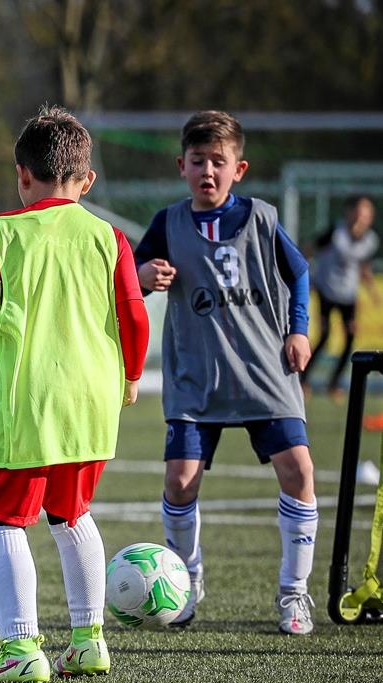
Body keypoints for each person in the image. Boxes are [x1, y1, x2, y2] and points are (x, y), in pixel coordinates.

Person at [0, 106, 149, 683]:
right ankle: (88, 640)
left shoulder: (5, 231)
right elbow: (134, 315)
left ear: (22, 175)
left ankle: (22, 648)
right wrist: (130, 375)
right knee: (72, 513)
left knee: (2, 519)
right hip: (94, 405)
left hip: (31, 402)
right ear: (87, 180)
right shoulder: (110, 237)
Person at [135, 110, 318, 635]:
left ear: (240, 168)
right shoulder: (167, 224)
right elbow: (131, 278)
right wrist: (145, 276)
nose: (208, 171)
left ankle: (294, 594)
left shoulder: (261, 218)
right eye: (198, 162)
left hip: (265, 373)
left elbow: (299, 272)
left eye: (220, 161)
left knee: (299, 472)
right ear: (181, 166)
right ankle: (185, 582)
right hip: (198, 379)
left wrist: (298, 330)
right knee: (180, 480)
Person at [301, 195, 379, 400]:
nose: (362, 217)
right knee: (325, 337)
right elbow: (309, 250)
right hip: (327, 290)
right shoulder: (335, 233)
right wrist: (303, 276)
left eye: (367, 214)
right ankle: (304, 380)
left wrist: (372, 291)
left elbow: (363, 266)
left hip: (348, 295)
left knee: (350, 338)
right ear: (350, 212)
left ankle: (334, 384)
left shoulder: (370, 240)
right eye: (359, 212)